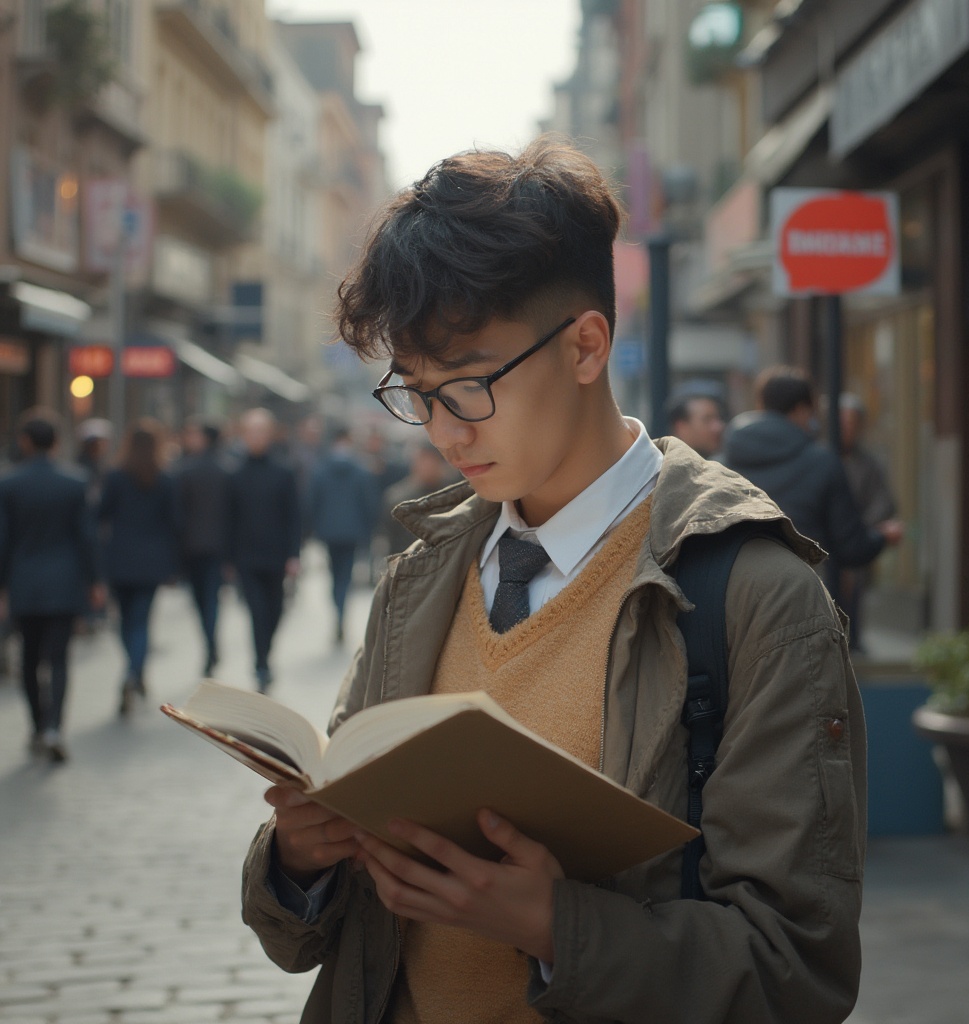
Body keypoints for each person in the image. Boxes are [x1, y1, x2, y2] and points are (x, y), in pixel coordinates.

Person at [241, 138, 866, 1024]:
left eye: (468, 386)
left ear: (585, 345)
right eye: (416, 392)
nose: (442, 432)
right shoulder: (423, 577)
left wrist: (551, 926)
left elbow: (795, 972)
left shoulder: (756, 596)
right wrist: (298, 860)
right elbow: (306, 936)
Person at [721, 365, 903, 597]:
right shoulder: (822, 462)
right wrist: (883, 536)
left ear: (761, 405)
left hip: (734, 590)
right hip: (800, 592)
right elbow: (851, 547)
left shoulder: (723, 460)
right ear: (801, 409)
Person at [0, 410, 102, 762]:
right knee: (58, 659)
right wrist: (94, 581)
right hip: (64, 582)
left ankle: (37, 725)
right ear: (56, 443)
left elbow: (3, 541)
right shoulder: (73, 483)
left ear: (25, 442)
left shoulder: (9, 484)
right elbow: (86, 538)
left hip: (24, 583)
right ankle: (55, 725)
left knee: (28, 659)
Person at [97, 419, 178, 716]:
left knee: (124, 620)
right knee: (142, 620)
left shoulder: (116, 476)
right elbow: (174, 523)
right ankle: (135, 672)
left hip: (120, 559)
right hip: (152, 561)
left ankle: (133, 670)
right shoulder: (165, 478)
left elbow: (100, 513)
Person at [228, 408, 301, 692]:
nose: (256, 437)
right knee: (257, 612)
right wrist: (228, 558)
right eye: (251, 432)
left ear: (270, 435)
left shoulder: (283, 472)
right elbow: (229, 519)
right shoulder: (234, 474)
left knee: (275, 610)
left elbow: (293, 515)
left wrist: (294, 554)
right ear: (243, 435)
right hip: (246, 557)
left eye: (261, 431)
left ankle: (265, 655)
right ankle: (261, 663)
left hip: (277, 555)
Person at [306, 424, 379, 643]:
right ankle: (341, 612)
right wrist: (369, 530)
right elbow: (370, 504)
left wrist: (313, 529)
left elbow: (311, 503)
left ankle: (337, 611)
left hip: (329, 532)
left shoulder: (321, 470)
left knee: (334, 575)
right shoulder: (360, 470)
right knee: (345, 576)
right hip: (352, 532)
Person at [838, 392, 898, 652]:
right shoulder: (820, 458)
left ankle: (854, 639)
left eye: (853, 423)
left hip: (856, 537)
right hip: (823, 541)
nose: (848, 429)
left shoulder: (869, 463)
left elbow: (883, 502)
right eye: (843, 422)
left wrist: (862, 527)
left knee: (854, 592)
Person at [172, 417, 232, 675]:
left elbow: (177, 514)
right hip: (218, 547)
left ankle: (209, 644)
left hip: (192, 548)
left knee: (201, 601)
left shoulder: (184, 470)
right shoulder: (227, 470)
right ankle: (211, 644)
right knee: (211, 600)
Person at [376, 439, 457, 557]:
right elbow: (388, 536)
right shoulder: (398, 496)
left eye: (430, 460)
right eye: (421, 460)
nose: (425, 466)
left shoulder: (453, 493)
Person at [665, 380, 727, 458]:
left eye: (719, 418)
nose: (718, 427)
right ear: (681, 427)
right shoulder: (662, 467)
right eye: (707, 420)